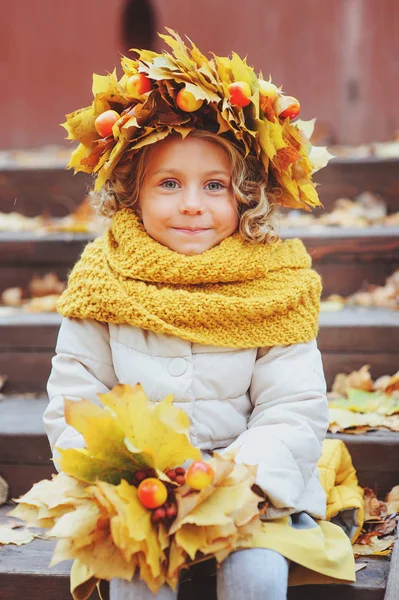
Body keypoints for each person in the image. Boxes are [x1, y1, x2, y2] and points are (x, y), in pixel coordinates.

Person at [44, 30, 355, 600]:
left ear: (246, 197)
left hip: (250, 490)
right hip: (139, 492)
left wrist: (237, 478)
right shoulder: (103, 281)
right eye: (169, 184)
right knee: (136, 580)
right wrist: (124, 479)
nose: (192, 203)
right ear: (132, 195)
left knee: (256, 575)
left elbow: (292, 405)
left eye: (214, 185)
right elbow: (75, 399)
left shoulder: (273, 287)